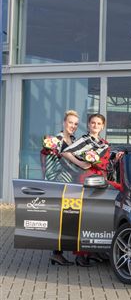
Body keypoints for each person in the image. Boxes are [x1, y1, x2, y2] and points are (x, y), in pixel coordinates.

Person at [61, 113, 117, 267]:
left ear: (103, 126)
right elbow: (65, 152)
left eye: (99, 123)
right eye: (93, 123)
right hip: (88, 179)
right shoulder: (84, 140)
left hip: (101, 180)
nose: (95, 126)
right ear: (88, 125)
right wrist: (81, 164)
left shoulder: (104, 143)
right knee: (86, 217)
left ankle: (92, 252)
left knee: (97, 216)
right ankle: (81, 255)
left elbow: (107, 162)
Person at [41, 110, 81, 266]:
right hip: (58, 183)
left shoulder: (74, 140)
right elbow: (55, 163)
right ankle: (56, 253)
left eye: (76, 124)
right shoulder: (55, 140)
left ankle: (58, 253)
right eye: (70, 122)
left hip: (71, 183)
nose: (73, 126)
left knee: (67, 218)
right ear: (64, 122)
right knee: (60, 219)